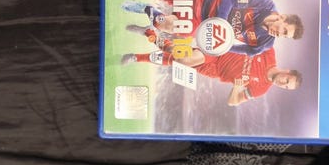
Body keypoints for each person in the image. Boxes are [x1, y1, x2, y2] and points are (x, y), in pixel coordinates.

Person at [115, 0, 303, 56]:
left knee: (167, 26)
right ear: (282, 17)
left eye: (284, 36)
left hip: (202, 22)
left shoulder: (265, 43)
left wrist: (220, 45)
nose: (279, 34)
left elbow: (246, 51)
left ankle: (146, 9)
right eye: (284, 30)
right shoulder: (263, 2)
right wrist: (220, 24)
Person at [121, 45, 302, 106]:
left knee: (176, 58)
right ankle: (139, 53)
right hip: (218, 51)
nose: (282, 83)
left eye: (286, 87)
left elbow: (233, 102)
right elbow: (252, 33)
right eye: (287, 80)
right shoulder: (269, 52)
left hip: (214, 71)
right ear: (287, 71)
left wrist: (237, 88)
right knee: (183, 59)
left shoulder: (261, 89)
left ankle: (149, 37)